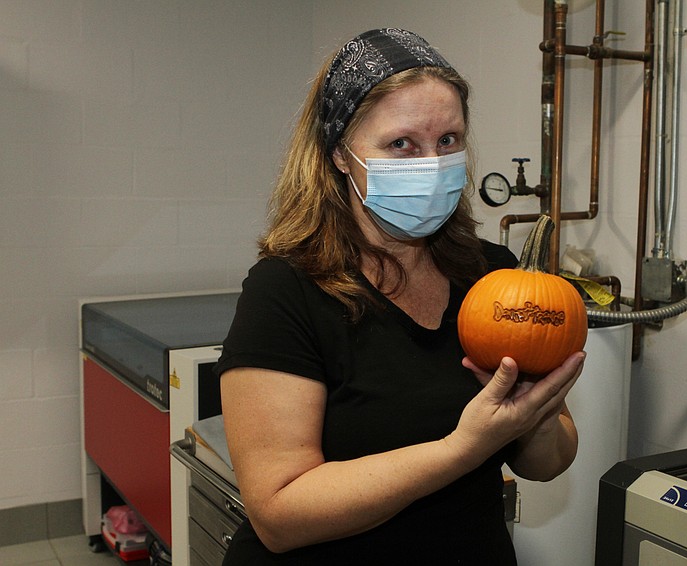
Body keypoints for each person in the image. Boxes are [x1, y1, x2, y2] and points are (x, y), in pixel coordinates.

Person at [215, 28, 585, 565]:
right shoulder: (286, 290)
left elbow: (546, 463)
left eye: (448, 141)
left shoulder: (494, 278)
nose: (432, 163)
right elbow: (278, 514)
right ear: (341, 154)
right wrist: (462, 449)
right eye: (401, 144)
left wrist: (539, 416)